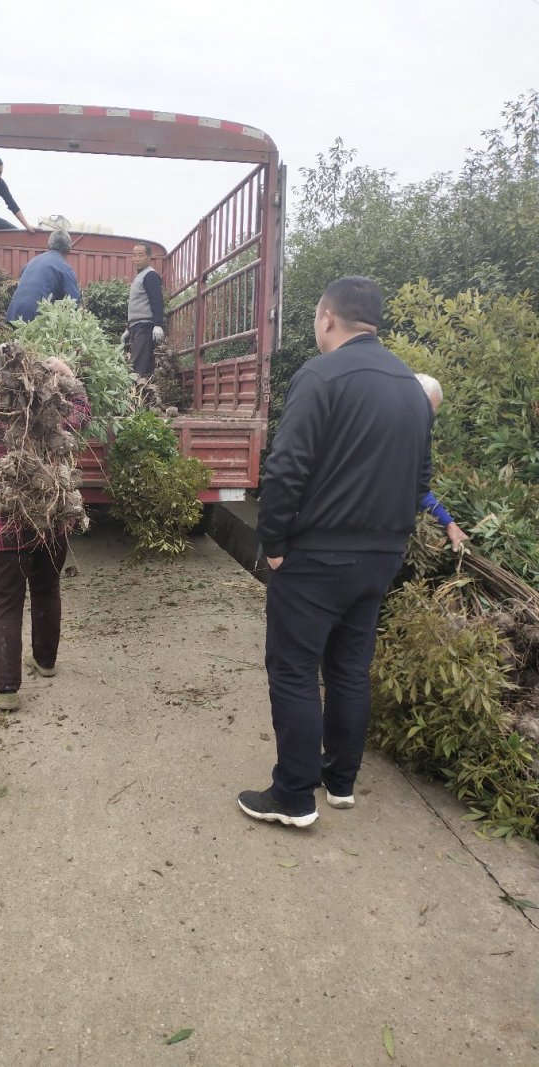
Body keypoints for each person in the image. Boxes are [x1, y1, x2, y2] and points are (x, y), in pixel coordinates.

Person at [239, 277, 433, 828]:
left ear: (327, 318)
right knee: (349, 669)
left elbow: (285, 467)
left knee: (295, 671)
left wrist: (273, 542)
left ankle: (293, 797)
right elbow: (421, 477)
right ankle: (339, 780)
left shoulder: (321, 376)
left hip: (318, 558)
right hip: (381, 558)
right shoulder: (411, 387)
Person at [0, 354, 91, 710]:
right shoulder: (46, 410)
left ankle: (7, 690)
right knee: (47, 589)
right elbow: (81, 417)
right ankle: (45, 662)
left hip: (6, 527)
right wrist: (67, 376)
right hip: (51, 521)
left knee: (6, 603)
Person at [414, 373, 469, 552]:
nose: (428, 418)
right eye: (427, 410)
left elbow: (419, 489)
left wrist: (449, 523)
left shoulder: (419, 439)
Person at [6, 230, 81, 323]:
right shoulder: (65, 268)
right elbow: (74, 302)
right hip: (36, 319)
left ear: (49, 245)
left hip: (13, 315)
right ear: (69, 249)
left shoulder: (32, 261)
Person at [121, 243, 164, 377]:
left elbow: (157, 301)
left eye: (140, 255)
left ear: (149, 257)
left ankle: (136, 395)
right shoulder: (139, 278)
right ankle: (144, 394)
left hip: (144, 327)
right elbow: (136, 306)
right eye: (134, 255)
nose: (136, 259)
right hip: (136, 327)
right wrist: (128, 329)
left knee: (137, 367)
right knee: (143, 365)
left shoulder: (150, 276)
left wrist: (158, 325)